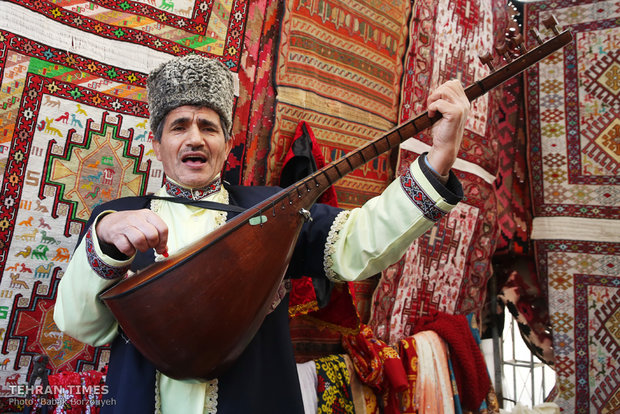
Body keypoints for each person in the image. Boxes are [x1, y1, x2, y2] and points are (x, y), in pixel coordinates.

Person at [54, 55, 469, 413]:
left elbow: (357, 242)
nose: (195, 137)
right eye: (179, 125)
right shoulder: (117, 219)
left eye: (209, 126)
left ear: (227, 142)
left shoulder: (273, 210)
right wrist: (105, 236)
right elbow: (82, 326)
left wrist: (438, 162)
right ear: (155, 142)